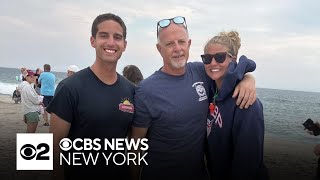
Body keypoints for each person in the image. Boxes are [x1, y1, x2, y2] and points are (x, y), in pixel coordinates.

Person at [131, 16, 256, 180]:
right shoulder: (146, 90)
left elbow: (229, 69)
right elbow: (135, 146)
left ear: (188, 44)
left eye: (181, 42)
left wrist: (248, 79)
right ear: (159, 49)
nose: (177, 48)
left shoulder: (200, 70)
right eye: (169, 44)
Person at [47, 13, 134, 180]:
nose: (111, 42)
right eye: (103, 35)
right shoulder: (69, 88)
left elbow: (132, 145)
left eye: (117, 37)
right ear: (92, 41)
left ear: (124, 44)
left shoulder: (131, 90)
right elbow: (54, 147)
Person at [203, 31, 268, 180]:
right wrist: (248, 76)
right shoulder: (211, 91)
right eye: (207, 58)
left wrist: (247, 77)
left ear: (233, 59)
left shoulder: (246, 102)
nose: (213, 63)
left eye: (220, 57)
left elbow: (247, 164)